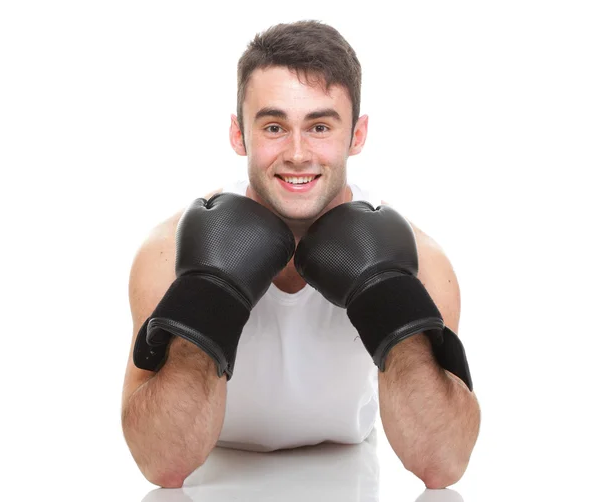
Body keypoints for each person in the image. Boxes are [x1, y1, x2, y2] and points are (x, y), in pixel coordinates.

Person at [121, 20, 481, 490]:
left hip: (351, 482)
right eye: (273, 126)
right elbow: (161, 466)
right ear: (238, 134)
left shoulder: (419, 259)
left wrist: (391, 300)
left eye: (319, 126)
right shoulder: (169, 253)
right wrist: (205, 294)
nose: (296, 153)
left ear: (357, 134)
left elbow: (443, 467)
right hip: (220, 484)